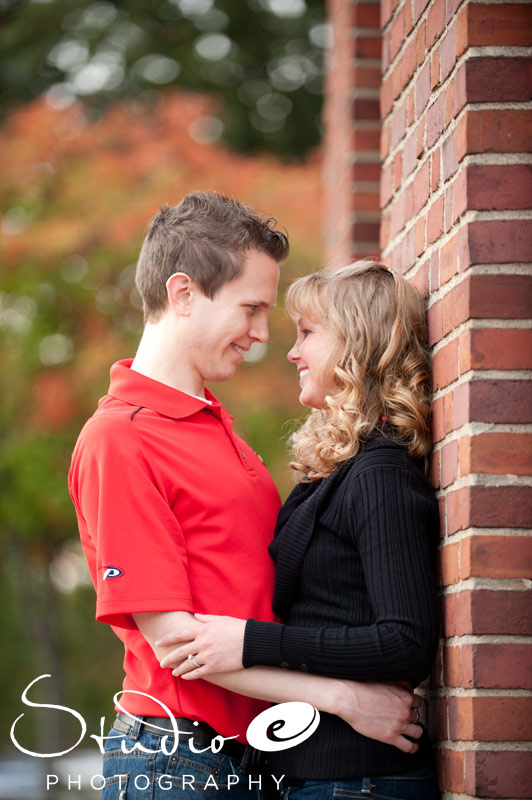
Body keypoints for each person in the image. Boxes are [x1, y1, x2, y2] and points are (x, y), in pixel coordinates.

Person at [69, 195, 424, 800]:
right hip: (177, 757)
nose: (262, 335)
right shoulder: (120, 438)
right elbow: (178, 643)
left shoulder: (218, 428)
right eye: (251, 309)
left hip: (259, 751)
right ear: (182, 294)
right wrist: (346, 698)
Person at [156, 261, 441, 799]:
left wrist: (249, 642)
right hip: (319, 774)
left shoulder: (379, 473)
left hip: (359, 780)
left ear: (356, 344)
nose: (291, 352)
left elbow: (407, 641)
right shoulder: (339, 469)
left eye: (307, 333)